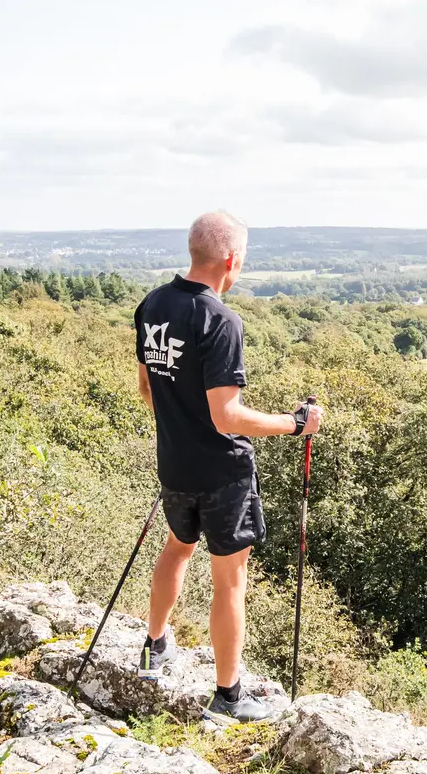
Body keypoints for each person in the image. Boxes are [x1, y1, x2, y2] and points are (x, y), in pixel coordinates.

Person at [134, 211, 321, 721]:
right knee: (229, 580)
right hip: (222, 473)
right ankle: (228, 695)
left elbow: (148, 388)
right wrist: (294, 423)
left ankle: (154, 646)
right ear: (232, 260)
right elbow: (227, 415)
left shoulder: (152, 305)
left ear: (193, 250)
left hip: (173, 464)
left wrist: (179, 429)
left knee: (176, 548)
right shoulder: (221, 320)